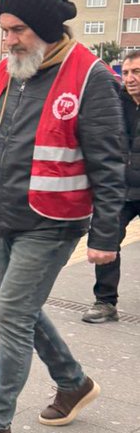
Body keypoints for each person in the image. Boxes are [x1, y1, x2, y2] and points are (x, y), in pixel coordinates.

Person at [0, 0, 124, 433]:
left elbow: (109, 162)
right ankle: (73, 383)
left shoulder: (90, 76)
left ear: (48, 30)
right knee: (20, 307)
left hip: (54, 220)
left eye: (18, 31)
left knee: (11, 312)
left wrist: (106, 235)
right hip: (3, 213)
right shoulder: (9, 74)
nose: (8, 40)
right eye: (4, 30)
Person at [81, 49, 140, 323]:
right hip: (120, 190)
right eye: (126, 72)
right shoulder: (115, 103)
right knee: (106, 241)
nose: (130, 78)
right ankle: (105, 302)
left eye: (137, 72)